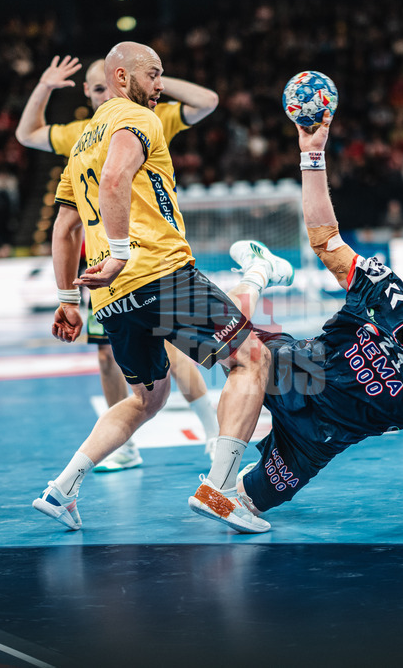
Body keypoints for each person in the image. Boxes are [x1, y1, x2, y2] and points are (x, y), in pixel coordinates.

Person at [34, 42, 292, 534]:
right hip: (160, 274)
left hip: (112, 300)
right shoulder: (137, 117)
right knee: (251, 358)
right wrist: (121, 254)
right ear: (121, 76)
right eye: (153, 74)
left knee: (145, 399)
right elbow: (114, 181)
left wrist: (69, 299)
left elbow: (63, 230)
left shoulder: (82, 140)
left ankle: (61, 488)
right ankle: (218, 491)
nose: (159, 85)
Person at [217, 113, 403, 526]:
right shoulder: (387, 293)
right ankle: (259, 271)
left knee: (246, 505)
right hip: (302, 369)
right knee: (214, 334)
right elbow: (326, 240)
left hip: (319, 439)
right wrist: (312, 155)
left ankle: (235, 484)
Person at [17, 54, 223, 471]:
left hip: (143, 261)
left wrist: (155, 80)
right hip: (109, 268)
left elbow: (206, 101)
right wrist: (44, 86)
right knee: (109, 357)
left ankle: (213, 432)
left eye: (101, 86)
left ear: (116, 82)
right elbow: (28, 134)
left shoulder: (149, 114)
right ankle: (127, 448)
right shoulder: (82, 134)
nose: (96, 95)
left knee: (179, 351)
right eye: (90, 90)